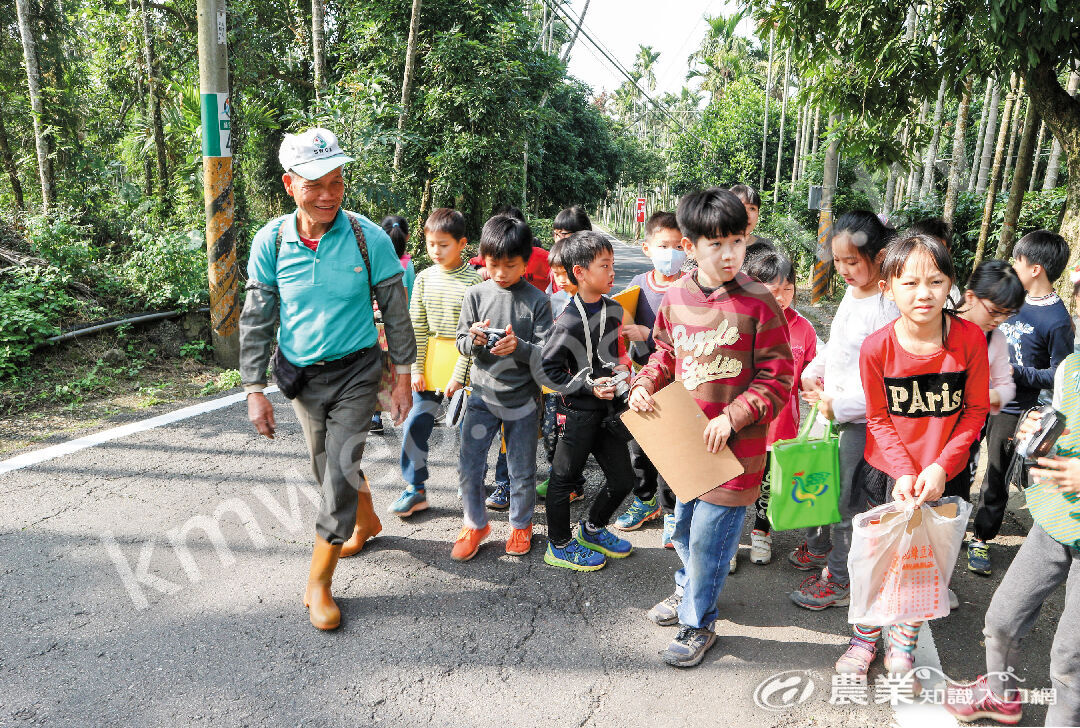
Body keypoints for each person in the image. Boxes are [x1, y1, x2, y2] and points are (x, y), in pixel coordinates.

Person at [239, 128, 415, 631]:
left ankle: (318, 582)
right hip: (302, 378)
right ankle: (366, 519)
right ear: (289, 184)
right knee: (325, 467)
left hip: (358, 372)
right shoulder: (270, 240)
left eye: (336, 181)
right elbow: (257, 319)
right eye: (314, 183)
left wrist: (401, 377)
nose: (328, 194)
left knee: (337, 470)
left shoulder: (367, 237)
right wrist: (255, 390)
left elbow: (396, 313)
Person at [629, 188, 794, 667]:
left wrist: (733, 416)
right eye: (716, 243)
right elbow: (664, 352)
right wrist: (644, 384)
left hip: (736, 454)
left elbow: (778, 376)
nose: (729, 254)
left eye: (738, 242)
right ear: (689, 245)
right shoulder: (676, 295)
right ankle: (688, 590)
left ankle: (697, 623)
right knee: (680, 529)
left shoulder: (760, 302)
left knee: (707, 540)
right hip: (685, 445)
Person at [836, 233, 989, 681]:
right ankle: (865, 636)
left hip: (946, 476)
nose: (924, 293)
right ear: (887, 287)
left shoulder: (970, 340)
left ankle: (904, 636)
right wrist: (904, 470)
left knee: (928, 561)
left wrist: (942, 466)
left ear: (950, 286)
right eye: (909, 283)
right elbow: (879, 419)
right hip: (886, 473)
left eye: (936, 281)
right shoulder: (876, 347)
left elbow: (975, 410)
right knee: (877, 558)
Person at [945, 285, 1080, 724]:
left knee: (1069, 664)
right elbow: (1058, 417)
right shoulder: (1073, 367)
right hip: (1055, 519)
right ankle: (1002, 696)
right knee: (1001, 620)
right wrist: (1033, 429)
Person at [790, 211, 898, 610]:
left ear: (881, 256)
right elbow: (836, 348)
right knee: (823, 490)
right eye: (838, 261)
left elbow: (888, 386)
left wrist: (840, 405)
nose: (844, 270)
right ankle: (823, 553)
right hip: (830, 412)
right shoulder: (855, 294)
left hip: (858, 423)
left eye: (852, 261)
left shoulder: (888, 308)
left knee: (847, 504)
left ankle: (839, 579)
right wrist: (812, 372)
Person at [969, 230, 1073, 576]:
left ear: (1036, 269)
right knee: (962, 460)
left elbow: (1058, 374)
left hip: (1014, 409)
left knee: (995, 474)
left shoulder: (1058, 320)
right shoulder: (1013, 298)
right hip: (976, 395)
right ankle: (951, 516)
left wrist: (1018, 372)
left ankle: (981, 538)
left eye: (1019, 261)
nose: (1014, 266)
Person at [452, 214, 554, 561]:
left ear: (526, 262)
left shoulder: (538, 300)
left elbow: (546, 353)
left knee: (522, 469)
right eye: (493, 264)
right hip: (481, 396)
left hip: (523, 402)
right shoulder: (475, 295)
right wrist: (474, 340)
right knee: (470, 465)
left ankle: (521, 525)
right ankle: (474, 523)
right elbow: (461, 341)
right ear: (484, 259)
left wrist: (520, 347)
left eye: (510, 265)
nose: (500, 273)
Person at [540, 230, 636, 571]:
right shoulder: (567, 321)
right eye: (605, 265)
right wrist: (587, 386)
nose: (612, 272)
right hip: (578, 413)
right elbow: (547, 371)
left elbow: (613, 354)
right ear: (579, 272)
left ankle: (593, 528)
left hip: (609, 412)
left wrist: (625, 373)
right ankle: (559, 544)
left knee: (624, 479)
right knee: (564, 479)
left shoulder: (613, 308)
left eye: (613, 264)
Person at [729, 251, 817, 571]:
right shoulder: (738, 320)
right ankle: (728, 542)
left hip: (780, 429)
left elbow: (811, 371)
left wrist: (816, 387)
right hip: (740, 425)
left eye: (788, 289)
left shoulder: (804, 329)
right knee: (736, 484)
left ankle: (761, 530)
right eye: (771, 289)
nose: (780, 298)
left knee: (768, 485)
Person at [391, 208, 482, 518]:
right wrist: (416, 368)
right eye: (431, 244)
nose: (436, 251)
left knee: (468, 431)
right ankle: (414, 488)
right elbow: (416, 325)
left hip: (465, 364)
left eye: (444, 244)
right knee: (416, 423)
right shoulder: (424, 279)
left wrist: (460, 374)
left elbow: (474, 334)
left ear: (462, 244)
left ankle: (469, 483)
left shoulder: (475, 282)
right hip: (429, 362)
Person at [613, 211, 684, 547]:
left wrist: (649, 333)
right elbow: (619, 328)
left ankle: (673, 512)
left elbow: (691, 337)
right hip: (645, 379)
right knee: (641, 448)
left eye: (676, 245)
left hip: (681, 382)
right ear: (647, 248)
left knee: (674, 450)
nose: (670, 252)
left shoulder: (691, 287)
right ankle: (645, 501)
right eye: (662, 245)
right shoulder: (638, 285)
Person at [953, 260, 1026, 496]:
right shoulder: (938, 327)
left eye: (1007, 314)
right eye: (994, 311)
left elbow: (1006, 387)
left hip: (965, 438)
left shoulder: (994, 339)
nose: (999, 320)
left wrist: (983, 396)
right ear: (971, 297)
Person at [370, 214, 417, 435]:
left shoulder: (373, 260)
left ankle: (374, 416)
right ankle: (399, 411)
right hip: (398, 326)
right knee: (396, 372)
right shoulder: (407, 264)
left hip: (374, 324)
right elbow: (407, 298)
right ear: (407, 236)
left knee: (375, 370)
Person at [729, 184, 777, 259]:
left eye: (752, 209)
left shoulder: (766, 248)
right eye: (741, 207)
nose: (746, 214)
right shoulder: (715, 246)